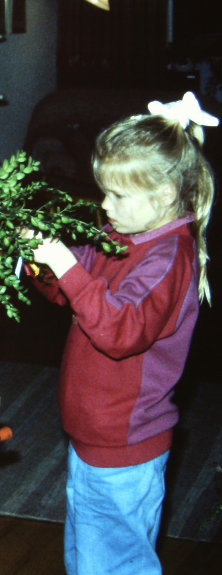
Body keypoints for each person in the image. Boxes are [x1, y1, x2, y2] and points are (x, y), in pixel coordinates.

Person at [21, 91, 217, 575]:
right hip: (96, 437)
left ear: (165, 195)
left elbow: (119, 331)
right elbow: (72, 291)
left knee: (114, 564)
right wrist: (39, 260)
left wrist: (66, 265)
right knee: (91, 557)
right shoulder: (122, 238)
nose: (104, 205)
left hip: (125, 446)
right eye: (103, 190)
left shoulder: (167, 259)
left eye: (118, 195)